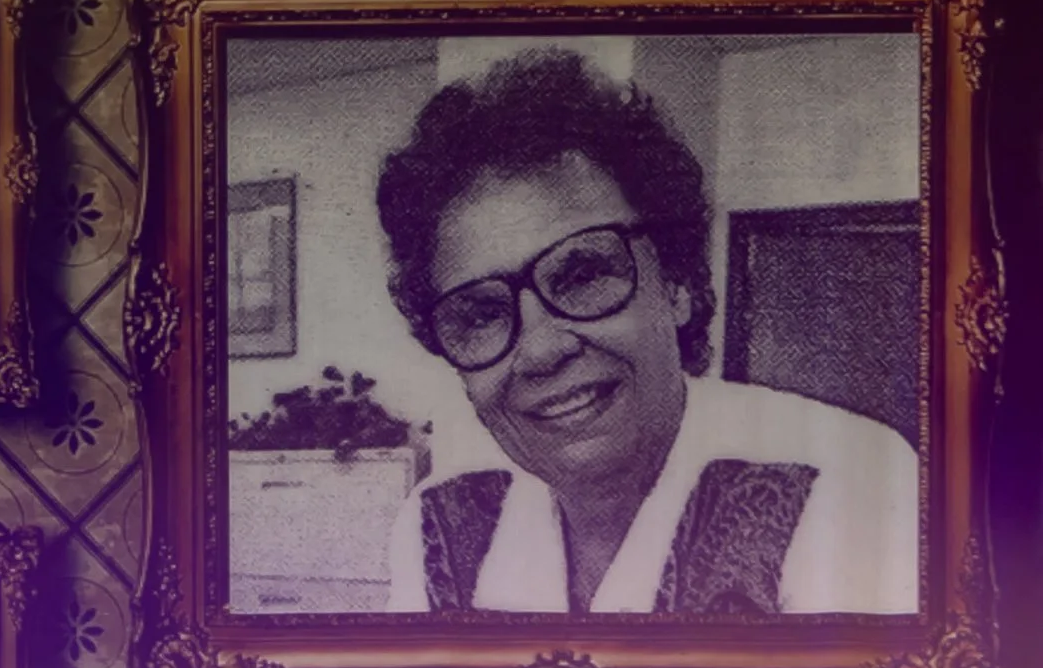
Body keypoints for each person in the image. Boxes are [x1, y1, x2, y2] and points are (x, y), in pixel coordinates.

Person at [374, 49, 918, 616]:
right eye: (481, 313)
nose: (540, 350)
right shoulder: (439, 520)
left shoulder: (847, 486)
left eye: (583, 274)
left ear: (677, 282)